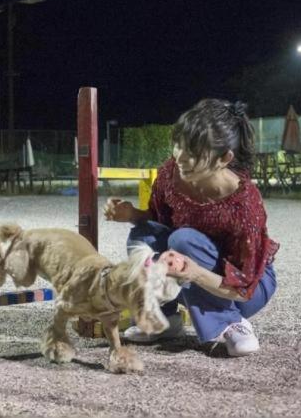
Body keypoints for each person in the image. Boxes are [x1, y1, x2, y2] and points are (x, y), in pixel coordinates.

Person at [103, 98, 279, 356]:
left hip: (245, 289)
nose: (181, 158)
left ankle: (231, 323)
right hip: (194, 270)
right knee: (144, 234)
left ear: (224, 158)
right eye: (178, 146)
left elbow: (244, 287)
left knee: (183, 241)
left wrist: (194, 274)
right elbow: (158, 220)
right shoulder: (170, 173)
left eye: (194, 153)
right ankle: (163, 319)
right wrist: (131, 214)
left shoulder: (244, 203)